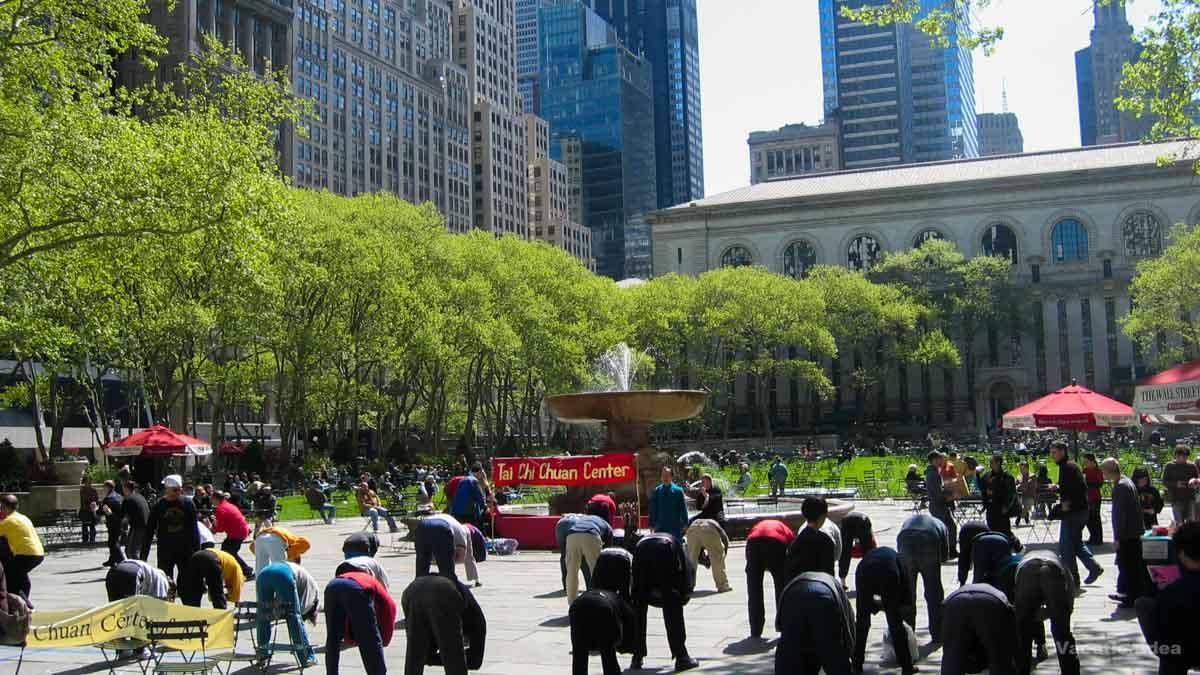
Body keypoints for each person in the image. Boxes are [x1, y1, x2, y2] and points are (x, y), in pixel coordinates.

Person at [1136, 521, 1200, 674]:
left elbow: (1162, 632)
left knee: (1145, 604)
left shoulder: (1173, 591)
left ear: (1182, 553)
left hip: (1180, 652)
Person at [630, 532, 698, 672]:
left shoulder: (642, 541)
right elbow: (686, 570)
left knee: (639, 607)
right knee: (672, 604)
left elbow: (634, 577)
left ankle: (636, 657)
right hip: (665, 553)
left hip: (641, 551)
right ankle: (681, 657)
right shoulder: (676, 543)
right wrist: (683, 593)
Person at [400, 574, 485, 675]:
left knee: (414, 656)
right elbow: (475, 662)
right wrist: (448, 656)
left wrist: (430, 658)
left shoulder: (469, 616)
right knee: (455, 660)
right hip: (443, 592)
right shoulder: (478, 624)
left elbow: (426, 655)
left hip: (412, 590)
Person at [852, 546, 915, 675]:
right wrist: (893, 607)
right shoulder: (900, 560)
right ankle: (907, 667)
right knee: (895, 624)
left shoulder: (881, 556)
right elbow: (906, 589)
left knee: (862, 623)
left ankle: (856, 665)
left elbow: (865, 602)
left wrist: (874, 607)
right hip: (888, 573)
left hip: (863, 571)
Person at [776, 571, 854, 675]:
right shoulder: (838, 589)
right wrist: (853, 657)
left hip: (793, 597)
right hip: (823, 597)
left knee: (789, 653)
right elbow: (849, 628)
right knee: (833, 655)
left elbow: (781, 627)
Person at [1014, 550, 1079, 675]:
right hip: (1054, 571)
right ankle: (1070, 671)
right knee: (1062, 634)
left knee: (1023, 633)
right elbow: (1069, 596)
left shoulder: (1020, 564)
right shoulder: (1062, 565)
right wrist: (1062, 616)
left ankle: (1021, 670)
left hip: (1026, 572)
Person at [1049, 441, 1104, 587]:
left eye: (1054, 452)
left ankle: (1072, 580)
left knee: (1066, 547)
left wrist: (1067, 502)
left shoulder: (1068, 467)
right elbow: (1071, 486)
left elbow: (1078, 488)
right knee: (1076, 543)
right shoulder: (1068, 466)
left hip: (1074, 511)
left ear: (1062, 452)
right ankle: (1093, 567)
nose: (1052, 455)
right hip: (1080, 510)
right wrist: (1059, 488)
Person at [940, 583, 1020, 675]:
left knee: (952, 658)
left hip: (955, 603)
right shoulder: (1002, 599)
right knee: (999, 656)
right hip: (991, 603)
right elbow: (1012, 641)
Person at [1103, 457, 1147, 608]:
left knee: (1127, 565)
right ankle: (1126, 592)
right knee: (1130, 564)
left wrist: (1117, 537)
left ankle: (1129, 595)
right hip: (1134, 531)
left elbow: (1119, 514)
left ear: (1108, 471)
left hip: (1127, 533)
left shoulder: (1121, 486)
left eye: (1104, 472)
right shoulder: (1126, 481)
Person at [897, 512, 947, 643]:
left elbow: (899, 546)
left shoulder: (907, 521)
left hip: (905, 538)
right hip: (928, 539)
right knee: (933, 591)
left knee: (907, 592)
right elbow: (944, 556)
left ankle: (907, 633)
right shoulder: (941, 525)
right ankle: (937, 634)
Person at [255, 560, 317, 667]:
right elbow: (300, 608)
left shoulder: (304, 576)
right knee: (294, 616)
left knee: (263, 615)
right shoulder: (314, 593)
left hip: (263, 574)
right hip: (283, 574)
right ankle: (306, 656)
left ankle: (262, 654)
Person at [142, 474, 200, 585]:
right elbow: (149, 531)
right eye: (174, 490)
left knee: (186, 581)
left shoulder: (188, 504)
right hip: (165, 549)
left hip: (185, 549)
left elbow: (194, 530)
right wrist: (143, 556)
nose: (177, 492)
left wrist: (197, 553)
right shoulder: (159, 505)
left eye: (179, 490)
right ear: (166, 490)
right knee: (165, 581)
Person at [745, 518, 795, 640]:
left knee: (754, 589)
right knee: (781, 586)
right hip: (775, 543)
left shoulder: (758, 526)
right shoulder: (785, 529)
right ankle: (782, 625)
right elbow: (793, 548)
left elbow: (749, 540)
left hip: (752, 543)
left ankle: (755, 629)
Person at [414, 513, 479, 584]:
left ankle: (418, 588)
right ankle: (449, 587)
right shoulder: (463, 531)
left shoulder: (452, 521)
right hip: (441, 527)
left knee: (422, 565)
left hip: (422, 526)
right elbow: (463, 557)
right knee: (447, 571)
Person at [0, 495, 43, 603]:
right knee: (20, 576)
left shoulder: (8, 521)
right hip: (38, 553)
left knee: (8, 579)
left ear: (4, 507)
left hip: (25, 554)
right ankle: (25, 602)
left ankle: (23, 604)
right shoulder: (23, 517)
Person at [564, 512, 614, 604]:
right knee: (596, 572)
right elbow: (608, 550)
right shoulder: (606, 525)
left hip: (572, 535)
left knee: (571, 572)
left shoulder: (585, 519)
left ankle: (572, 603)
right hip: (591, 535)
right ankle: (598, 601)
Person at [786, 497, 837, 579]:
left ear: (804, 514)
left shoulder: (795, 542)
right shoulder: (826, 541)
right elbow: (829, 573)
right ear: (823, 516)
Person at [179, 547, 244, 609]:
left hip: (197, 555)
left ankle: (193, 611)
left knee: (195, 588)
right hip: (212, 559)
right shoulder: (238, 571)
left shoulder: (230, 565)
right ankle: (221, 615)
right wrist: (236, 601)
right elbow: (237, 588)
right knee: (217, 592)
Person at [210, 490, 254, 578]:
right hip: (240, 531)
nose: (211, 501)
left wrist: (213, 526)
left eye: (212, 499)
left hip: (237, 533)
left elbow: (220, 529)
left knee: (228, 553)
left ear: (216, 499)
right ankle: (243, 571)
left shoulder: (221, 509)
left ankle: (246, 571)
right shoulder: (228, 505)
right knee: (228, 551)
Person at [971, 532, 1022, 600]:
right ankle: (976, 597)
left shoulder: (1005, 539)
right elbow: (1000, 569)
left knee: (978, 573)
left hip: (978, 540)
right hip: (988, 544)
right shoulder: (1006, 548)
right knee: (983, 574)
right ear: (1013, 549)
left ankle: (973, 594)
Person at [684, 518, 731, 593]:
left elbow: (699, 556)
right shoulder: (716, 524)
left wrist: (705, 561)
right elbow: (725, 539)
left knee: (691, 559)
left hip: (692, 528)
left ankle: (688, 586)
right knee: (716, 557)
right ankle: (722, 585)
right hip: (708, 527)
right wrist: (723, 554)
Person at [925, 451, 958, 558]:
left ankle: (951, 550)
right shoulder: (932, 474)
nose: (942, 460)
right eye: (939, 459)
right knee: (942, 530)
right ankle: (943, 553)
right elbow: (937, 492)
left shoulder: (935, 471)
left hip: (941, 505)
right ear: (934, 460)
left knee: (951, 527)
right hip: (938, 505)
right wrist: (949, 496)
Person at [106, 558, 174, 602]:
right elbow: (159, 603)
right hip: (132, 572)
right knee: (132, 608)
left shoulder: (154, 573)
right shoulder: (164, 581)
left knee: (114, 608)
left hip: (113, 571)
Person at [1162, 444, 1198, 525]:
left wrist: (1194, 483)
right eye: (1181, 456)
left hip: (1190, 498)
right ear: (1176, 455)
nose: (1183, 458)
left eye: (1185, 456)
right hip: (1176, 499)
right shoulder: (1169, 466)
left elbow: (1197, 480)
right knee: (1179, 523)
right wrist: (1176, 484)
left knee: (1191, 523)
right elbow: (1164, 481)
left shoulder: (1192, 466)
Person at [982, 454, 1016, 538]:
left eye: (992, 462)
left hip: (1002, 508)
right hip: (991, 508)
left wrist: (1006, 507)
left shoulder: (1007, 476)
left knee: (1004, 531)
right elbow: (982, 488)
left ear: (998, 463)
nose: (990, 464)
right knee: (992, 531)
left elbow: (1011, 493)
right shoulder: (987, 475)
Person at [649, 467, 688, 541]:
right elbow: (653, 509)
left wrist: (685, 523)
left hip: (674, 526)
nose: (665, 478)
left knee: (675, 547)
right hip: (660, 526)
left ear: (671, 477)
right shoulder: (657, 491)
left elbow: (683, 508)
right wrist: (651, 524)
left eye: (667, 475)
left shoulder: (678, 491)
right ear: (661, 477)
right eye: (663, 475)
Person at [838, 512, 875, 588]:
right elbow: (871, 539)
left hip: (846, 520)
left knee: (845, 552)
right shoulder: (867, 521)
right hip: (863, 521)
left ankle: (843, 582)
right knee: (867, 553)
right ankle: (868, 579)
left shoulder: (844, 521)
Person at [120, 480, 149, 562]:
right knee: (136, 551)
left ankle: (140, 569)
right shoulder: (140, 497)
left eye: (123, 489)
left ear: (126, 489)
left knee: (130, 551)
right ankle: (141, 566)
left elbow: (121, 516)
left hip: (137, 527)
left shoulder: (128, 499)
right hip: (146, 526)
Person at [100, 480, 124, 566]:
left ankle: (122, 561)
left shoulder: (108, 499)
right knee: (114, 540)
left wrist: (95, 509)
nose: (103, 489)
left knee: (113, 543)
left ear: (108, 487)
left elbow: (101, 511)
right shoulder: (119, 496)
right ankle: (112, 559)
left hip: (112, 523)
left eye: (104, 487)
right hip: (120, 522)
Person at [1082, 453, 1104, 545]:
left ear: (1092, 462)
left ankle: (1098, 538)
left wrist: (1088, 483)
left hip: (1095, 497)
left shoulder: (1097, 470)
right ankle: (1092, 536)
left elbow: (1100, 483)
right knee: (1088, 519)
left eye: (1086, 462)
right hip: (1087, 497)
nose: (1085, 464)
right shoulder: (1085, 470)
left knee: (1095, 518)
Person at [78, 477, 99, 545]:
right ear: (84, 483)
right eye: (88, 482)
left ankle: (92, 539)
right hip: (84, 510)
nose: (89, 483)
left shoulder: (93, 490)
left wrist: (95, 507)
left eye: (90, 482)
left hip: (92, 510)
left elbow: (96, 500)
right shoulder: (82, 490)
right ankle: (85, 539)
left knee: (92, 525)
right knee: (84, 525)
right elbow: (82, 501)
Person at [1016, 462, 1037, 526]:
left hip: (1030, 496)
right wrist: (1019, 486)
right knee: (1016, 503)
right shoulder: (1019, 476)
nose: (1021, 470)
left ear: (1027, 468)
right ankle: (1024, 515)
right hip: (1020, 496)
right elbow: (1015, 486)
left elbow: (1026, 487)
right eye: (1020, 469)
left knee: (1027, 503)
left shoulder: (1032, 476)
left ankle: (1020, 516)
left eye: (1022, 469)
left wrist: (1020, 486)